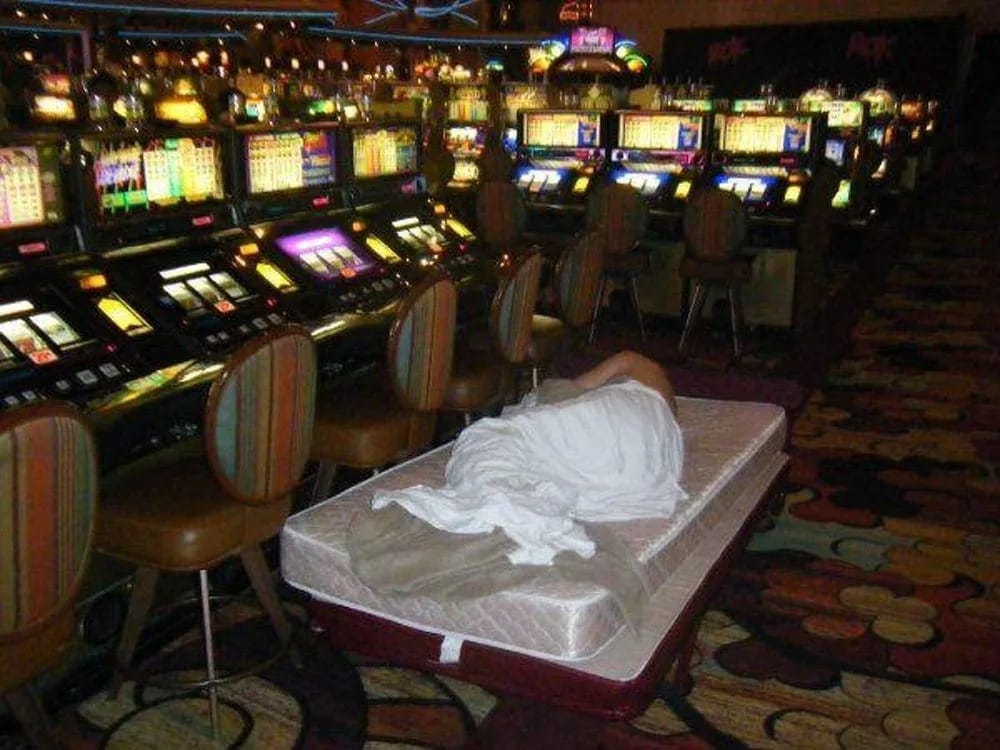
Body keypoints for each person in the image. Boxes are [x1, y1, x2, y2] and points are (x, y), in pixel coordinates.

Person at [369, 351, 687, 566]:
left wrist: (533, 403)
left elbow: (571, 389)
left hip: (627, 414)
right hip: (652, 448)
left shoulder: (633, 361)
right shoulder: (661, 398)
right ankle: (501, 506)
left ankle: (489, 502)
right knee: (547, 451)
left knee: (494, 437)